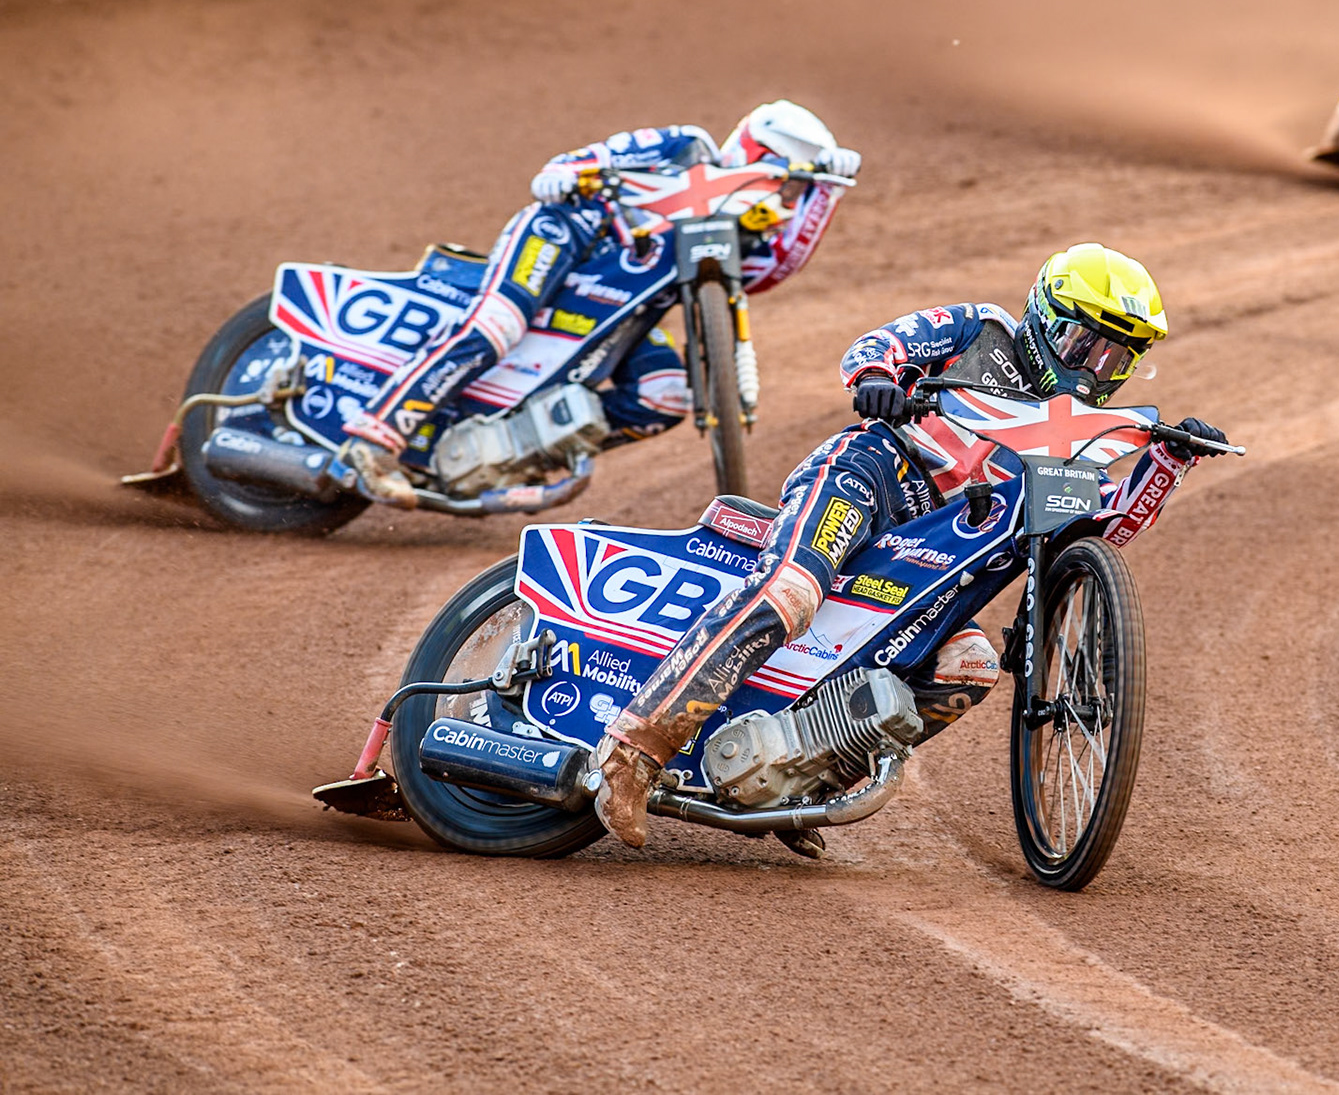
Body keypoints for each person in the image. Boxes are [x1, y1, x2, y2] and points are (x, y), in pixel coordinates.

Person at [590, 242, 1231, 849]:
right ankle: (634, 750)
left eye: (1118, 359)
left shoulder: (1080, 439)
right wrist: (877, 378)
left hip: (938, 545)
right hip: (874, 474)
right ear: (1044, 314)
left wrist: (1167, 463)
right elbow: (878, 345)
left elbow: (1093, 535)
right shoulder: (981, 328)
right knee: (792, 589)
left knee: (971, 662)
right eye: (1086, 344)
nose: (1097, 370)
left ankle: (799, 778)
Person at [338, 101, 863, 506]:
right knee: (498, 323)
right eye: (792, 184)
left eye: (800, 192)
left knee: (665, 395)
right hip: (566, 234)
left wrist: (827, 194)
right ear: (762, 155)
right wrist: (568, 169)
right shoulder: (690, 149)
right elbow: (604, 154)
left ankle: (521, 448)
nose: (790, 202)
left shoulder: (742, 233)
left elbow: (772, 272)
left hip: (626, 313)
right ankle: (375, 440)